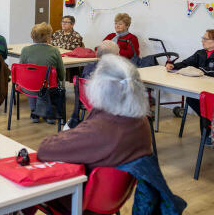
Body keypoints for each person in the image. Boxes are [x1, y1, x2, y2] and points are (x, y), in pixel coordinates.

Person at [34, 55, 153, 215]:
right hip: (115, 197)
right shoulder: (142, 122)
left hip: (80, 199)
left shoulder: (102, 129)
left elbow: (45, 149)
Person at [166, 29, 214, 145]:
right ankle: (208, 129)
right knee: (192, 99)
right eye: (202, 38)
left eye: (205, 39)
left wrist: (199, 70)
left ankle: (208, 132)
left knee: (206, 104)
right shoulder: (200, 53)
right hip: (200, 88)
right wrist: (173, 65)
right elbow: (187, 62)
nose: (202, 41)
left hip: (211, 90)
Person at [19, 22, 65, 124]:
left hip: (29, 87)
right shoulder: (54, 51)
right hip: (49, 87)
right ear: (48, 37)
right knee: (49, 83)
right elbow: (61, 75)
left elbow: (21, 71)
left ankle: (34, 112)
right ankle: (49, 114)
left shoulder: (25, 50)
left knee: (32, 81)